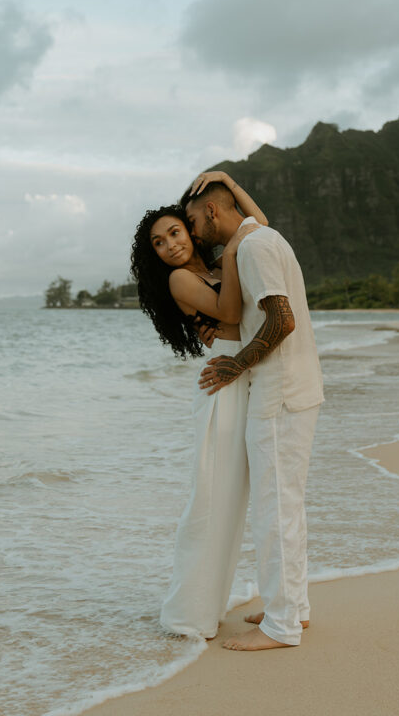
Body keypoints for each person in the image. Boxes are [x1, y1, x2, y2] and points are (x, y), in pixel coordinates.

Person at [181, 179, 324, 652]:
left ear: (214, 212)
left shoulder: (253, 249)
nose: (194, 231)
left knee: (274, 510)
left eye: (195, 221)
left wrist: (235, 363)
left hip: (278, 394)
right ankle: (293, 609)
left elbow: (281, 319)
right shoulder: (263, 238)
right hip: (294, 389)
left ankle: (280, 626)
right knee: (286, 506)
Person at [130, 173, 266, 640]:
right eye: (159, 242)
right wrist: (231, 252)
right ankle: (190, 611)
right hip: (220, 384)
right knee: (210, 498)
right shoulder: (180, 281)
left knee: (235, 498)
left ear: (190, 229)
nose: (169, 244)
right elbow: (229, 315)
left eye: (174, 232)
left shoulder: (213, 262)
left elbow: (258, 225)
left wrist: (227, 179)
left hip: (243, 373)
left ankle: (211, 598)